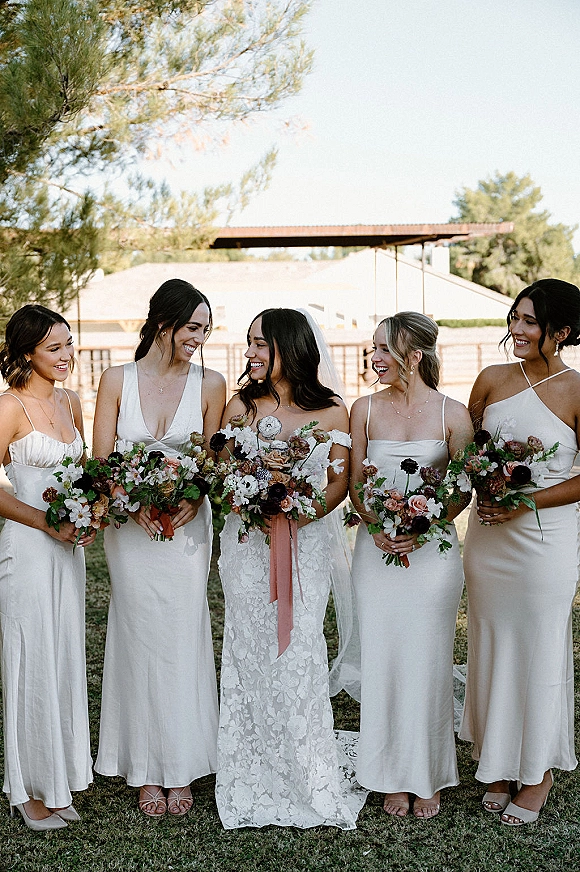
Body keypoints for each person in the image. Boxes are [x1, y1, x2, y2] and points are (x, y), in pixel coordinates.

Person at [215, 307, 365, 829]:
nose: (252, 354)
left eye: (262, 344)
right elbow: (222, 469)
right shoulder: (240, 407)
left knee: (299, 647)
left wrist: (297, 511)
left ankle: (305, 767)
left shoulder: (330, 412)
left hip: (307, 548)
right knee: (248, 646)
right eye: (249, 343)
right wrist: (250, 503)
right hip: (245, 549)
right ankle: (251, 765)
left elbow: (338, 485)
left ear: (291, 349)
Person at [92, 279, 225, 816]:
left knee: (182, 633)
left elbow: (214, 462)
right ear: (163, 323)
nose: (199, 338)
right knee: (139, 634)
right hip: (131, 530)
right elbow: (101, 461)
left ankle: (183, 762)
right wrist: (128, 500)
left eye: (206, 330)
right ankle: (146, 765)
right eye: (193, 327)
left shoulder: (211, 383)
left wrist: (197, 499)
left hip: (187, 529)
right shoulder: (115, 379)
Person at [459, 278, 580, 826]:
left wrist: (522, 504)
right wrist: (484, 485)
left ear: (562, 331)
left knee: (538, 646)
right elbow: (468, 452)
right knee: (492, 642)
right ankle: (499, 761)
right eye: (515, 317)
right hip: (488, 539)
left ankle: (537, 772)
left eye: (531, 322)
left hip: (544, 538)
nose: (518, 330)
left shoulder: (576, 389)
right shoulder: (490, 379)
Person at [349, 311, 473, 819]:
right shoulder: (364, 409)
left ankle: (426, 772)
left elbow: (463, 485)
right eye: (372, 348)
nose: (373, 358)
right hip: (375, 554)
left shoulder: (453, 413)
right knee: (382, 660)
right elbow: (357, 482)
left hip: (432, 557)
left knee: (426, 662)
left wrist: (423, 527)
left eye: (383, 349)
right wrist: (377, 526)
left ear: (414, 357)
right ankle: (386, 774)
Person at [0, 305, 95, 831]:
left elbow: (83, 478)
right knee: (29, 658)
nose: (66, 357)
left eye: (69, 344)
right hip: (28, 549)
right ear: (28, 352)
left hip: (68, 552)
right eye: (54, 348)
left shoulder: (72, 402)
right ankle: (26, 788)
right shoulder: (9, 408)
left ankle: (56, 778)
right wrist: (45, 521)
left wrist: (93, 511)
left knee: (61, 658)